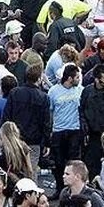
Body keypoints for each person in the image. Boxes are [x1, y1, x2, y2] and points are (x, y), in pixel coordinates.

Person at [49, 64, 84, 194]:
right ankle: (60, 189)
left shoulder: (80, 90)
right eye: (77, 77)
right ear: (69, 78)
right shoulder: (53, 91)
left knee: (74, 162)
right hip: (58, 131)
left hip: (74, 130)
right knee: (58, 163)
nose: (79, 79)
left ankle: (75, 190)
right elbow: (50, 112)